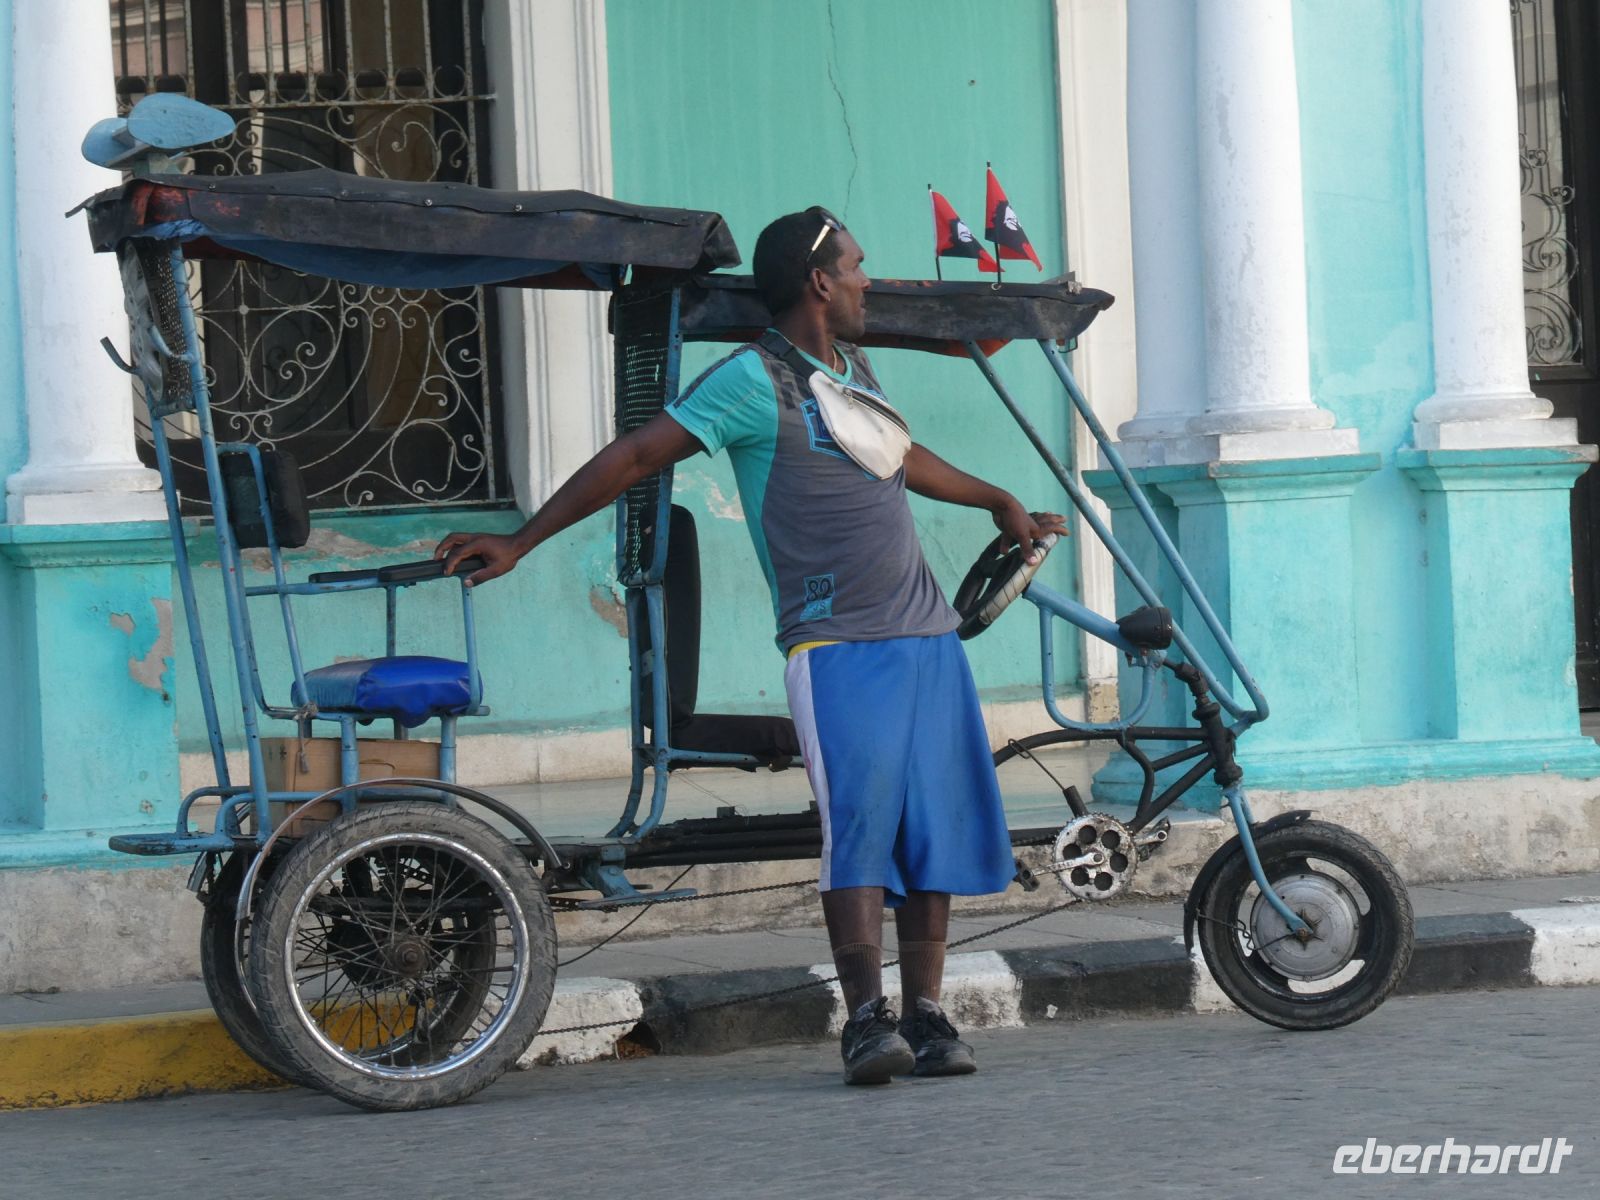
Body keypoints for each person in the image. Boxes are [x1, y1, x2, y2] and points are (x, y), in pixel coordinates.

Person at [435, 206, 1067, 1085]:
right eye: (854, 267)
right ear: (818, 280)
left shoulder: (854, 367)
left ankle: (925, 1013)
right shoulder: (750, 382)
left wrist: (996, 498)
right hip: (837, 647)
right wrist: (524, 539)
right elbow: (633, 457)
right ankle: (865, 1021)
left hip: (926, 637)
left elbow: (900, 456)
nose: (865, 281)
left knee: (932, 835)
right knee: (860, 830)